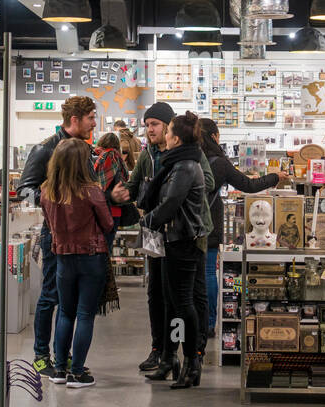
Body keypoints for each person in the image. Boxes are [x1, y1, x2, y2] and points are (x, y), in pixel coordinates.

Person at [115, 102, 214, 373]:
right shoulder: (148, 156)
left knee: (190, 296)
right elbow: (134, 186)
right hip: (158, 234)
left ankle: (194, 351)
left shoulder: (189, 156)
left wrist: (175, 197)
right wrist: (120, 194)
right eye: (147, 125)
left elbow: (207, 181)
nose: (150, 130)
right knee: (157, 293)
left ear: (170, 129)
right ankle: (162, 350)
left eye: (155, 125)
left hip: (187, 233)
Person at [18, 95, 101, 378]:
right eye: (91, 117)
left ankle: (63, 359)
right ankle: (42, 355)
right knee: (50, 295)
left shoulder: (84, 149)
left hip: (82, 239)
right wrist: (54, 206)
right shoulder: (45, 150)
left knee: (72, 303)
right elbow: (24, 189)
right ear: (75, 120)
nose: (94, 122)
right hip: (55, 234)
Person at [137, 111, 209, 388]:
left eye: (167, 132)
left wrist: (145, 222)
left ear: (176, 138)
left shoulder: (185, 167)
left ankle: (191, 362)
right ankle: (170, 358)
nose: (162, 135)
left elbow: (170, 205)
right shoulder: (175, 164)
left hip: (182, 243)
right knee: (171, 304)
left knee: (182, 304)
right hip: (171, 242)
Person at [198, 117, 286, 336]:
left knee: (191, 275)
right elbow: (248, 185)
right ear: (214, 137)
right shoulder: (219, 162)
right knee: (209, 272)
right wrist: (275, 176)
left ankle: (193, 321)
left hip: (188, 224)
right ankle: (209, 324)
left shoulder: (191, 158)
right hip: (209, 223)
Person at [38, 138, 113, 388]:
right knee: (85, 315)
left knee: (65, 313)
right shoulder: (91, 191)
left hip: (62, 259)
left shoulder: (47, 191)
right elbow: (108, 224)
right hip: (91, 257)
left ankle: (59, 369)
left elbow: (48, 223)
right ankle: (78, 373)